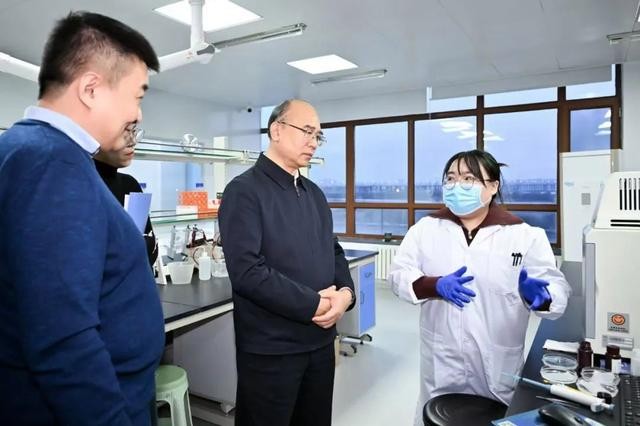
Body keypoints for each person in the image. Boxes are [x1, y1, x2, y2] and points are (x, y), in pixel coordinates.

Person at [0, 12, 164, 425]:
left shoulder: (33, 150)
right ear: (91, 89)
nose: (138, 114)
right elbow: (62, 340)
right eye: (137, 96)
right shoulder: (51, 161)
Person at [388, 149, 571, 425]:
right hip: (442, 362)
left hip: (497, 366)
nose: (456, 185)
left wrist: (542, 296)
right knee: (435, 418)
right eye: (450, 178)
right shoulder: (425, 229)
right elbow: (398, 275)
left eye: (468, 178)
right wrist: (433, 285)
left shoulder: (524, 235)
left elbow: (557, 290)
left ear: (493, 186)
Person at [219, 99, 356, 426]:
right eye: (307, 131)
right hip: (272, 351)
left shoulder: (314, 193)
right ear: (276, 130)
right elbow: (247, 272)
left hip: (320, 343)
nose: (314, 141)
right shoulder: (243, 192)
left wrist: (346, 294)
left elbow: (333, 250)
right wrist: (314, 304)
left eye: (318, 135)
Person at [94, 126, 158, 266]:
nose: (133, 141)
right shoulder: (80, 186)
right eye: (125, 132)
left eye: (133, 132)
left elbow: (151, 248)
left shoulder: (130, 184)